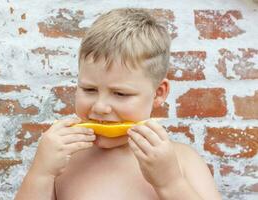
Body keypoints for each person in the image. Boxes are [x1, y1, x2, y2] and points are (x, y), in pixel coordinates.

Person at [15, 8, 222, 200]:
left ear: (158, 93)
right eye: (89, 90)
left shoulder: (182, 161)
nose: (100, 107)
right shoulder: (63, 161)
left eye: (120, 93)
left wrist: (170, 183)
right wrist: (41, 173)